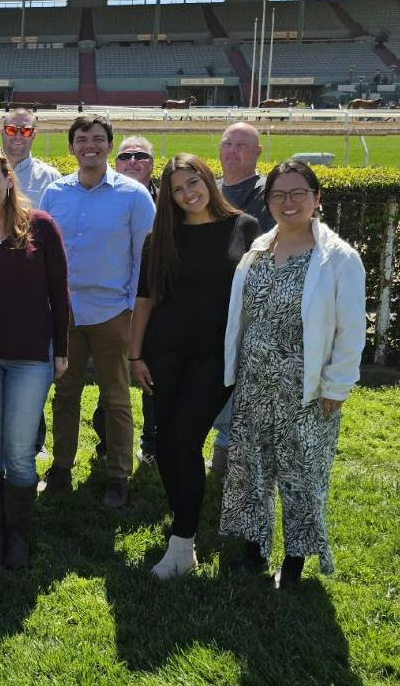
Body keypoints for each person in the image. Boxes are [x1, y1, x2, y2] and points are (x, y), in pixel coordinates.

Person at [220, 160, 366, 588]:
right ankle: (253, 548)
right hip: (254, 384)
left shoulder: (339, 259)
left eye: (298, 193)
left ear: (316, 199)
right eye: (279, 195)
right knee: (251, 469)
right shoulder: (258, 251)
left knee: (302, 475)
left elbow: (350, 331)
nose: (289, 202)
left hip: (306, 390)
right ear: (268, 202)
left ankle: (296, 559)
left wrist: (336, 388)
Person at [126, 155, 259, 579]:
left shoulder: (244, 228)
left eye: (193, 182)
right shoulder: (160, 237)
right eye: (178, 189)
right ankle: (183, 517)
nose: (188, 193)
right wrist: (135, 355)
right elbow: (144, 300)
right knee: (165, 444)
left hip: (215, 356)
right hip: (164, 352)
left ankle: (183, 544)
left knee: (183, 440)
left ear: (207, 179)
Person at [0, 148, 70, 570]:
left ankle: (18, 536)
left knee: (19, 452)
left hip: (30, 356)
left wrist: (63, 348)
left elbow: (59, 291)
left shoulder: (40, 227)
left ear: (8, 179)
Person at [39, 115, 155, 508]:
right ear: (71, 147)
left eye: (99, 139)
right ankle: (61, 466)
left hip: (112, 313)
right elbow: (44, 255)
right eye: (83, 139)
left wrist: (130, 310)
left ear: (109, 145)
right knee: (65, 394)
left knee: (117, 398)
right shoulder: (54, 193)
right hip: (66, 313)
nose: (91, 145)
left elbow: (145, 258)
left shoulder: (134, 196)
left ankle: (118, 475)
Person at [209, 122, 276, 472]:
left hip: (247, 307)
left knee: (239, 380)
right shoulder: (212, 189)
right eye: (227, 144)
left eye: (242, 145)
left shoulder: (265, 194)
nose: (232, 151)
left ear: (257, 153)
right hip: (210, 308)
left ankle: (228, 454)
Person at [109, 134, 158, 464]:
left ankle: (152, 441)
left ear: (153, 164)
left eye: (141, 156)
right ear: (116, 163)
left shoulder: (171, 199)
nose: (133, 162)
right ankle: (108, 442)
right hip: (113, 304)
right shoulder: (105, 196)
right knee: (113, 379)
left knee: (152, 375)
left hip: (154, 303)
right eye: (126, 156)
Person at [1, 108, 62, 205]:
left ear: (34, 134)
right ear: (2, 132)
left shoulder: (51, 178)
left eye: (26, 131)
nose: (18, 136)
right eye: (11, 130)